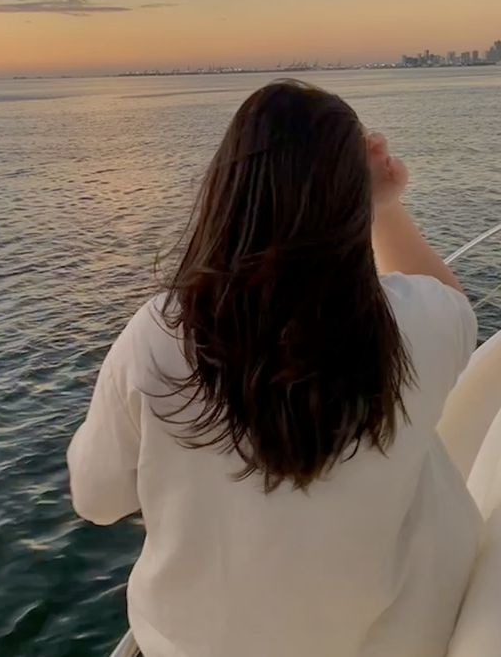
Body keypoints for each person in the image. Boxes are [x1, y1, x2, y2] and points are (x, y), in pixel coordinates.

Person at [67, 80, 481, 657]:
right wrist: (384, 207)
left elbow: (95, 500)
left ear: (227, 189)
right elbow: (452, 304)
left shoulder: (157, 334)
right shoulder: (418, 324)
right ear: (350, 198)